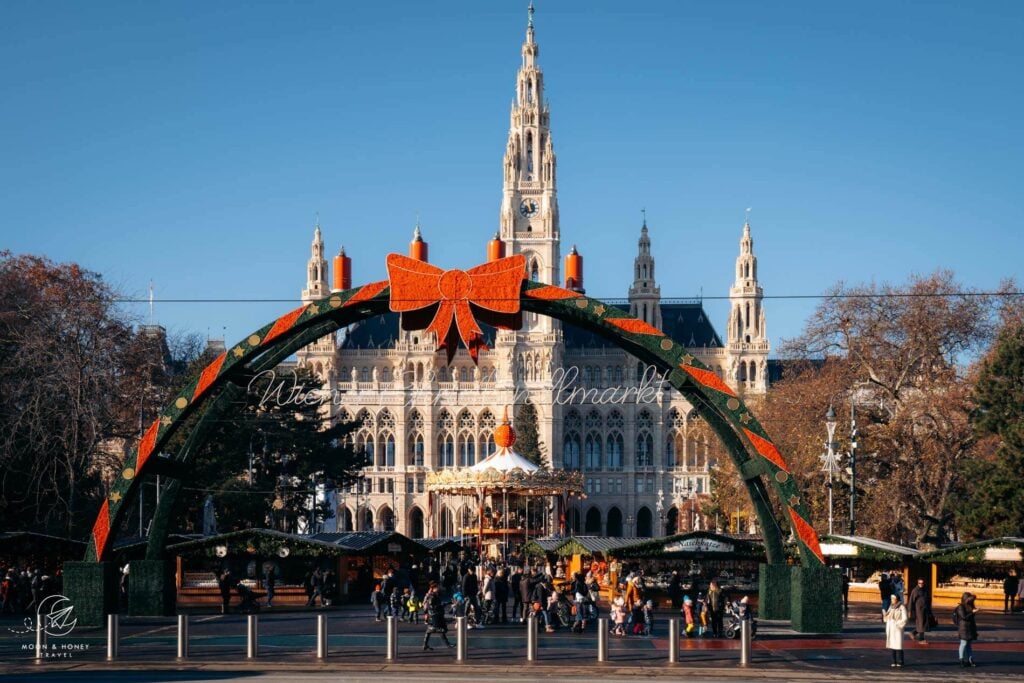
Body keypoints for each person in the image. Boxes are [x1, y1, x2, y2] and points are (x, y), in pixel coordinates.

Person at [422, 581, 455, 651]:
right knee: (439, 629)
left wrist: (447, 603)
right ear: (433, 588)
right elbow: (433, 606)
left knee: (433, 630)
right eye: (437, 587)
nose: (438, 588)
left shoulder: (435, 595)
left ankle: (425, 645)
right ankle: (448, 644)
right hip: (435, 614)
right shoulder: (432, 596)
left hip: (436, 614)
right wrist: (444, 605)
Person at [954, 592, 979, 667]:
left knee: (969, 644)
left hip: (970, 627)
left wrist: (973, 611)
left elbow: (971, 617)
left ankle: (970, 659)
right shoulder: (960, 607)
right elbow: (964, 617)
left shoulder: (970, 605)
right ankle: (961, 659)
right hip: (963, 627)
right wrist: (972, 612)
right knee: (963, 643)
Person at [883, 594, 908, 668]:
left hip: (897, 628)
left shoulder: (901, 607)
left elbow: (905, 618)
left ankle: (901, 661)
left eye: (893, 599)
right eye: (891, 598)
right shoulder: (891, 606)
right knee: (892, 645)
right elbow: (888, 616)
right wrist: (885, 615)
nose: (892, 600)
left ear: (897, 599)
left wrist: (898, 624)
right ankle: (894, 661)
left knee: (899, 645)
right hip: (891, 627)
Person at [907, 577, 932, 643]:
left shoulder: (925, 589)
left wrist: (930, 609)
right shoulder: (915, 590)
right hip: (919, 610)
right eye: (919, 583)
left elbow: (928, 599)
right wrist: (909, 610)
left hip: (925, 609)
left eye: (922, 583)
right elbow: (911, 601)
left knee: (923, 624)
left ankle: (913, 633)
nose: (921, 584)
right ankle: (921, 639)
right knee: (921, 623)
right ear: (917, 583)